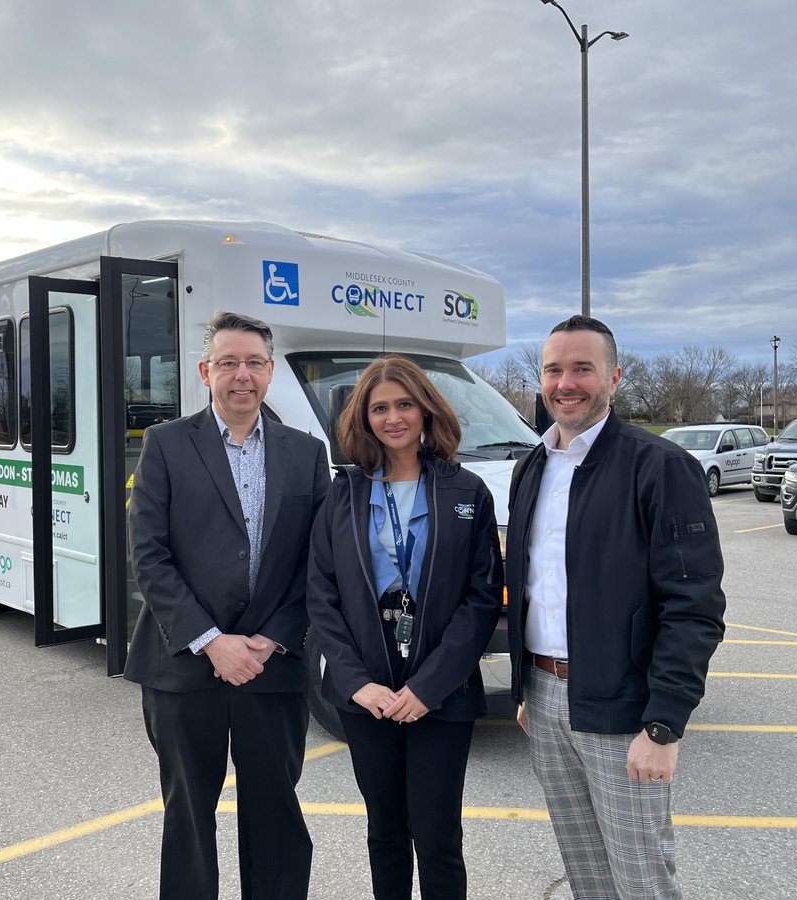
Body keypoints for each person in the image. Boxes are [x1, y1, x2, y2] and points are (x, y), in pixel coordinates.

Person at [505, 315, 726, 899]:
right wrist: (528, 689)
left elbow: (693, 604)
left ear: (614, 377)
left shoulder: (660, 467)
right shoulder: (531, 467)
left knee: (641, 878)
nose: (566, 383)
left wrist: (664, 722)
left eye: (583, 368)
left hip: (624, 707)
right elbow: (532, 586)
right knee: (587, 874)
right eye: (554, 369)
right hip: (546, 700)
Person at [125, 310, 330, 900]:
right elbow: (149, 554)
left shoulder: (306, 453)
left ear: (270, 371)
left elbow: (317, 562)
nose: (242, 375)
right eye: (228, 363)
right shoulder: (166, 444)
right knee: (189, 817)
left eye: (254, 363)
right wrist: (212, 642)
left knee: (275, 814)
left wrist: (273, 637)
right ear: (204, 371)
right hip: (183, 667)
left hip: (273, 665)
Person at [307, 355, 503, 900]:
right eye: (379, 408)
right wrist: (355, 682)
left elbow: (482, 599)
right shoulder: (341, 494)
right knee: (385, 832)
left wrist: (428, 688)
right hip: (366, 695)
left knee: (438, 836)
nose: (393, 417)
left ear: (426, 410)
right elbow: (321, 597)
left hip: (441, 695)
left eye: (404, 404)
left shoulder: (467, 492)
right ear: (363, 418)